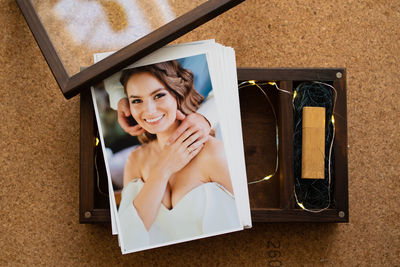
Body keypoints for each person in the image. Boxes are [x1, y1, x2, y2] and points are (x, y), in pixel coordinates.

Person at [117, 60, 240, 252]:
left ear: (177, 94)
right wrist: (162, 169)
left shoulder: (214, 152)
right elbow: (129, 239)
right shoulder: (135, 160)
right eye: (136, 100)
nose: (149, 110)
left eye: (159, 95)